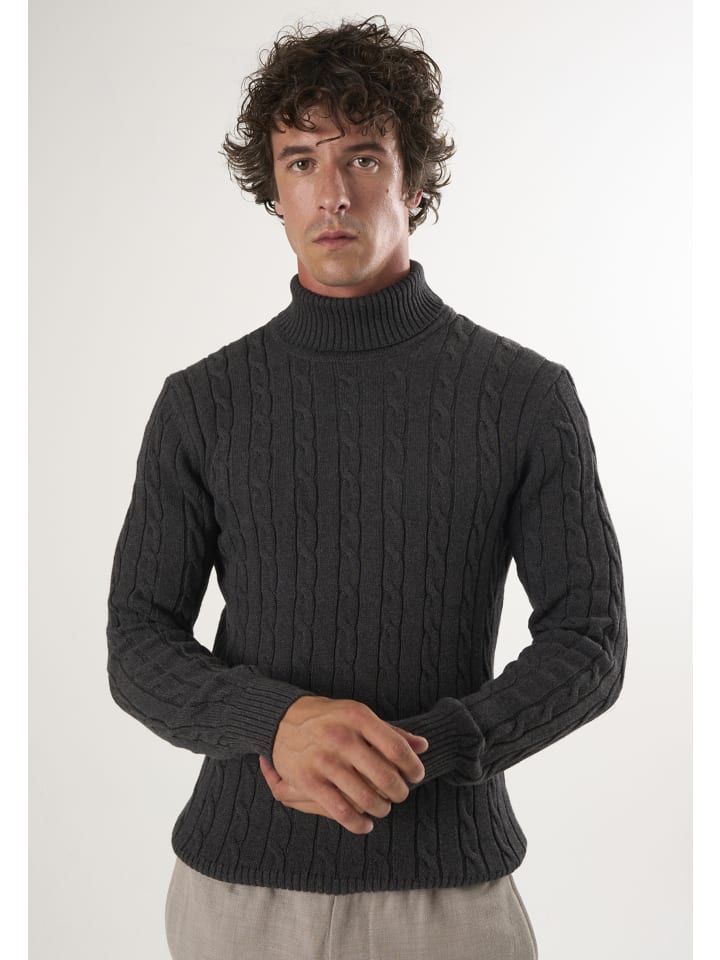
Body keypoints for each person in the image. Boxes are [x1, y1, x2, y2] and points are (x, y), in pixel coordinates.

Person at [106, 16, 627, 960]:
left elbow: (590, 638)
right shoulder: (202, 403)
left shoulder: (524, 397)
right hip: (238, 895)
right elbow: (138, 641)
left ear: (414, 180)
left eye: (363, 158)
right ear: (274, 188)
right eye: (301, 162)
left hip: (448, 900)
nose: (333, 193)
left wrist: (433, 748)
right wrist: (276, 723)